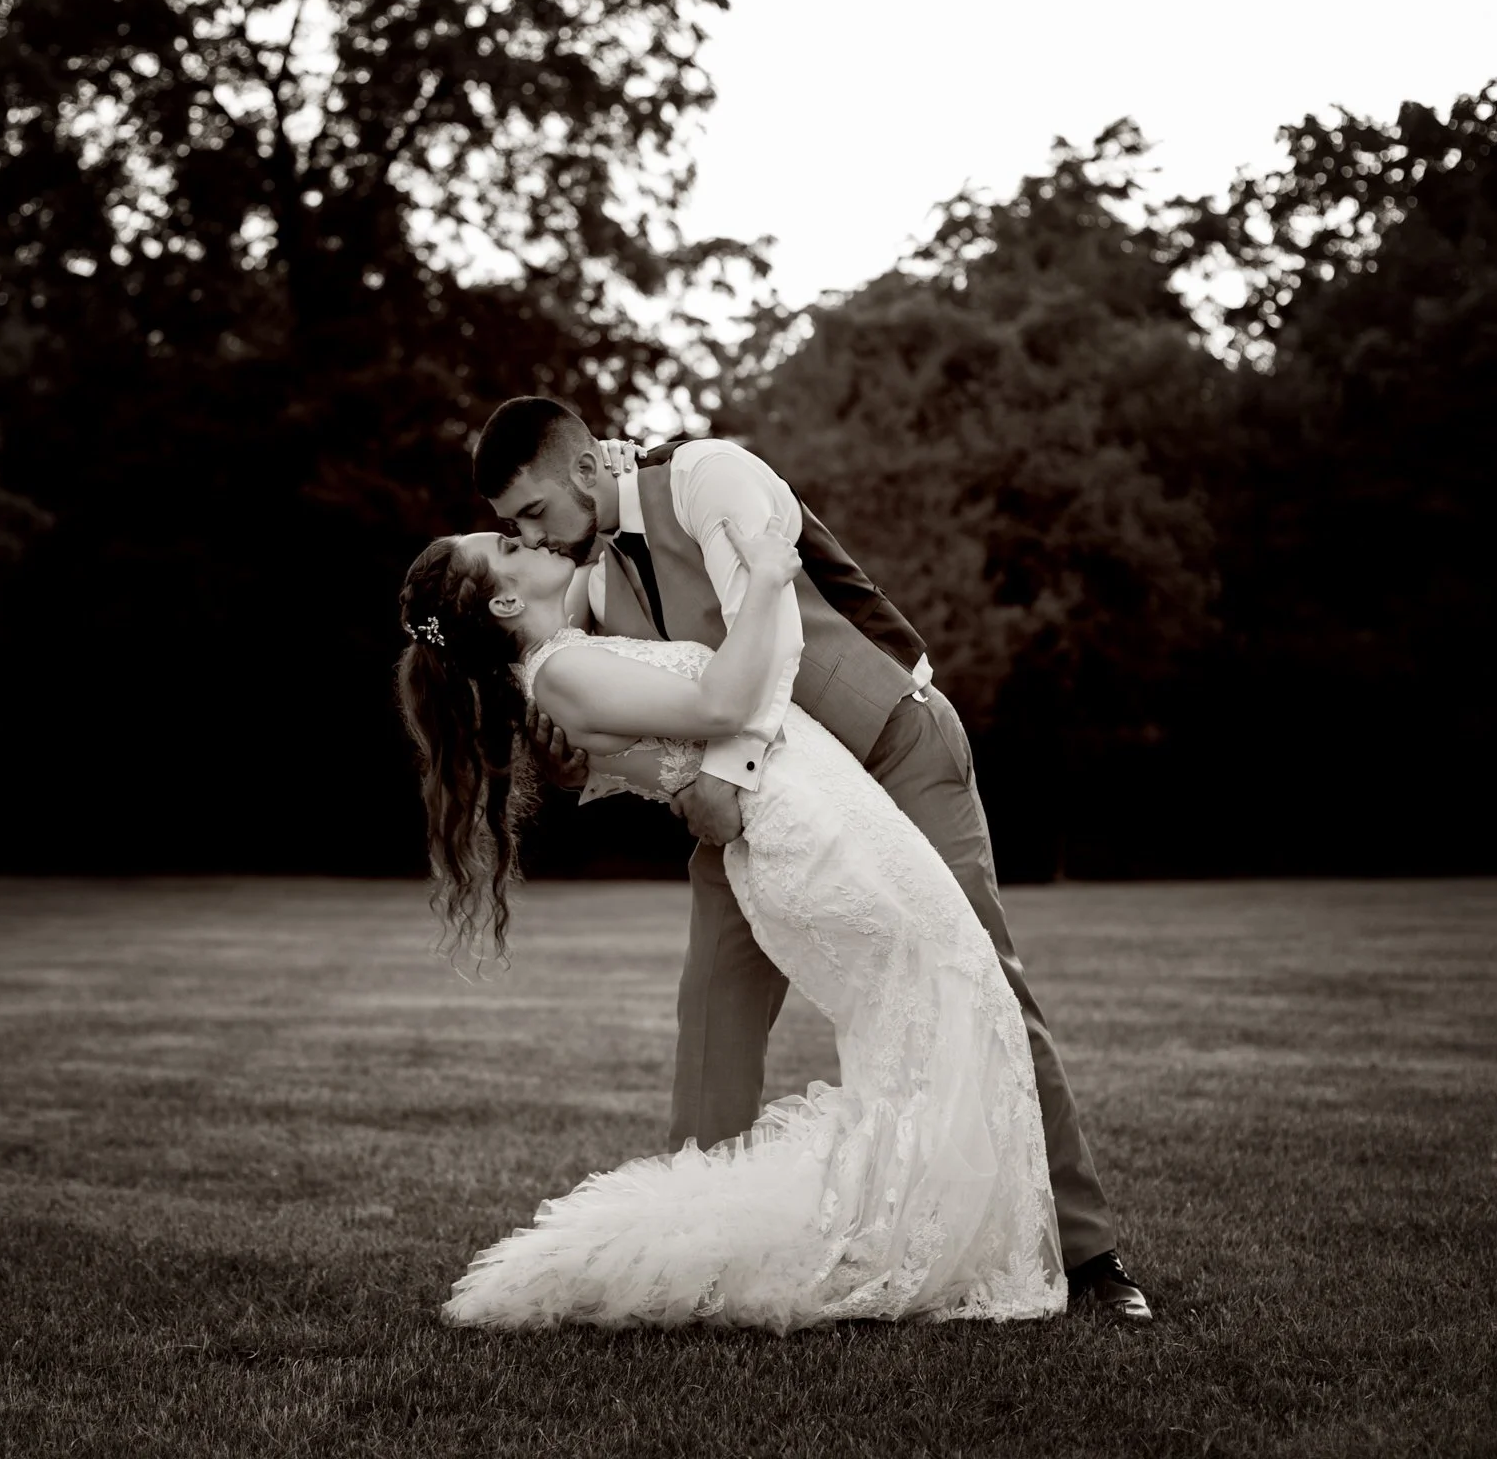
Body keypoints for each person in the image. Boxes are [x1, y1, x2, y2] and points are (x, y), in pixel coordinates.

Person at [471, 396, 1152, 1322]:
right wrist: (590, 757)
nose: (531, 536)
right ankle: (686, 1260)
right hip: (759, 813)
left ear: (587, 466)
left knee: (983, 980)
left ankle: (1089, 1257)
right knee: (711, 1009)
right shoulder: (590, 586)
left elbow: (774, 626)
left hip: (892, 750)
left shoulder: (711, 475)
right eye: (514, 531)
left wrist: (721, 773)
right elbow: (609, 711)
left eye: (534, 514)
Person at [396, 521, 1064, 1329]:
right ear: (505, 599)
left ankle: (923, 1230)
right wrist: (771, 576)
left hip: (820, 809)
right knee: (945, 996)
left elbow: (605, 583)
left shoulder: (570, 649)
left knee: (939, 1009)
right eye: (507, 546)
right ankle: (890, 1239)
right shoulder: (561, 672)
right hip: (805, 837)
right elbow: (723, 701)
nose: (527, 541)